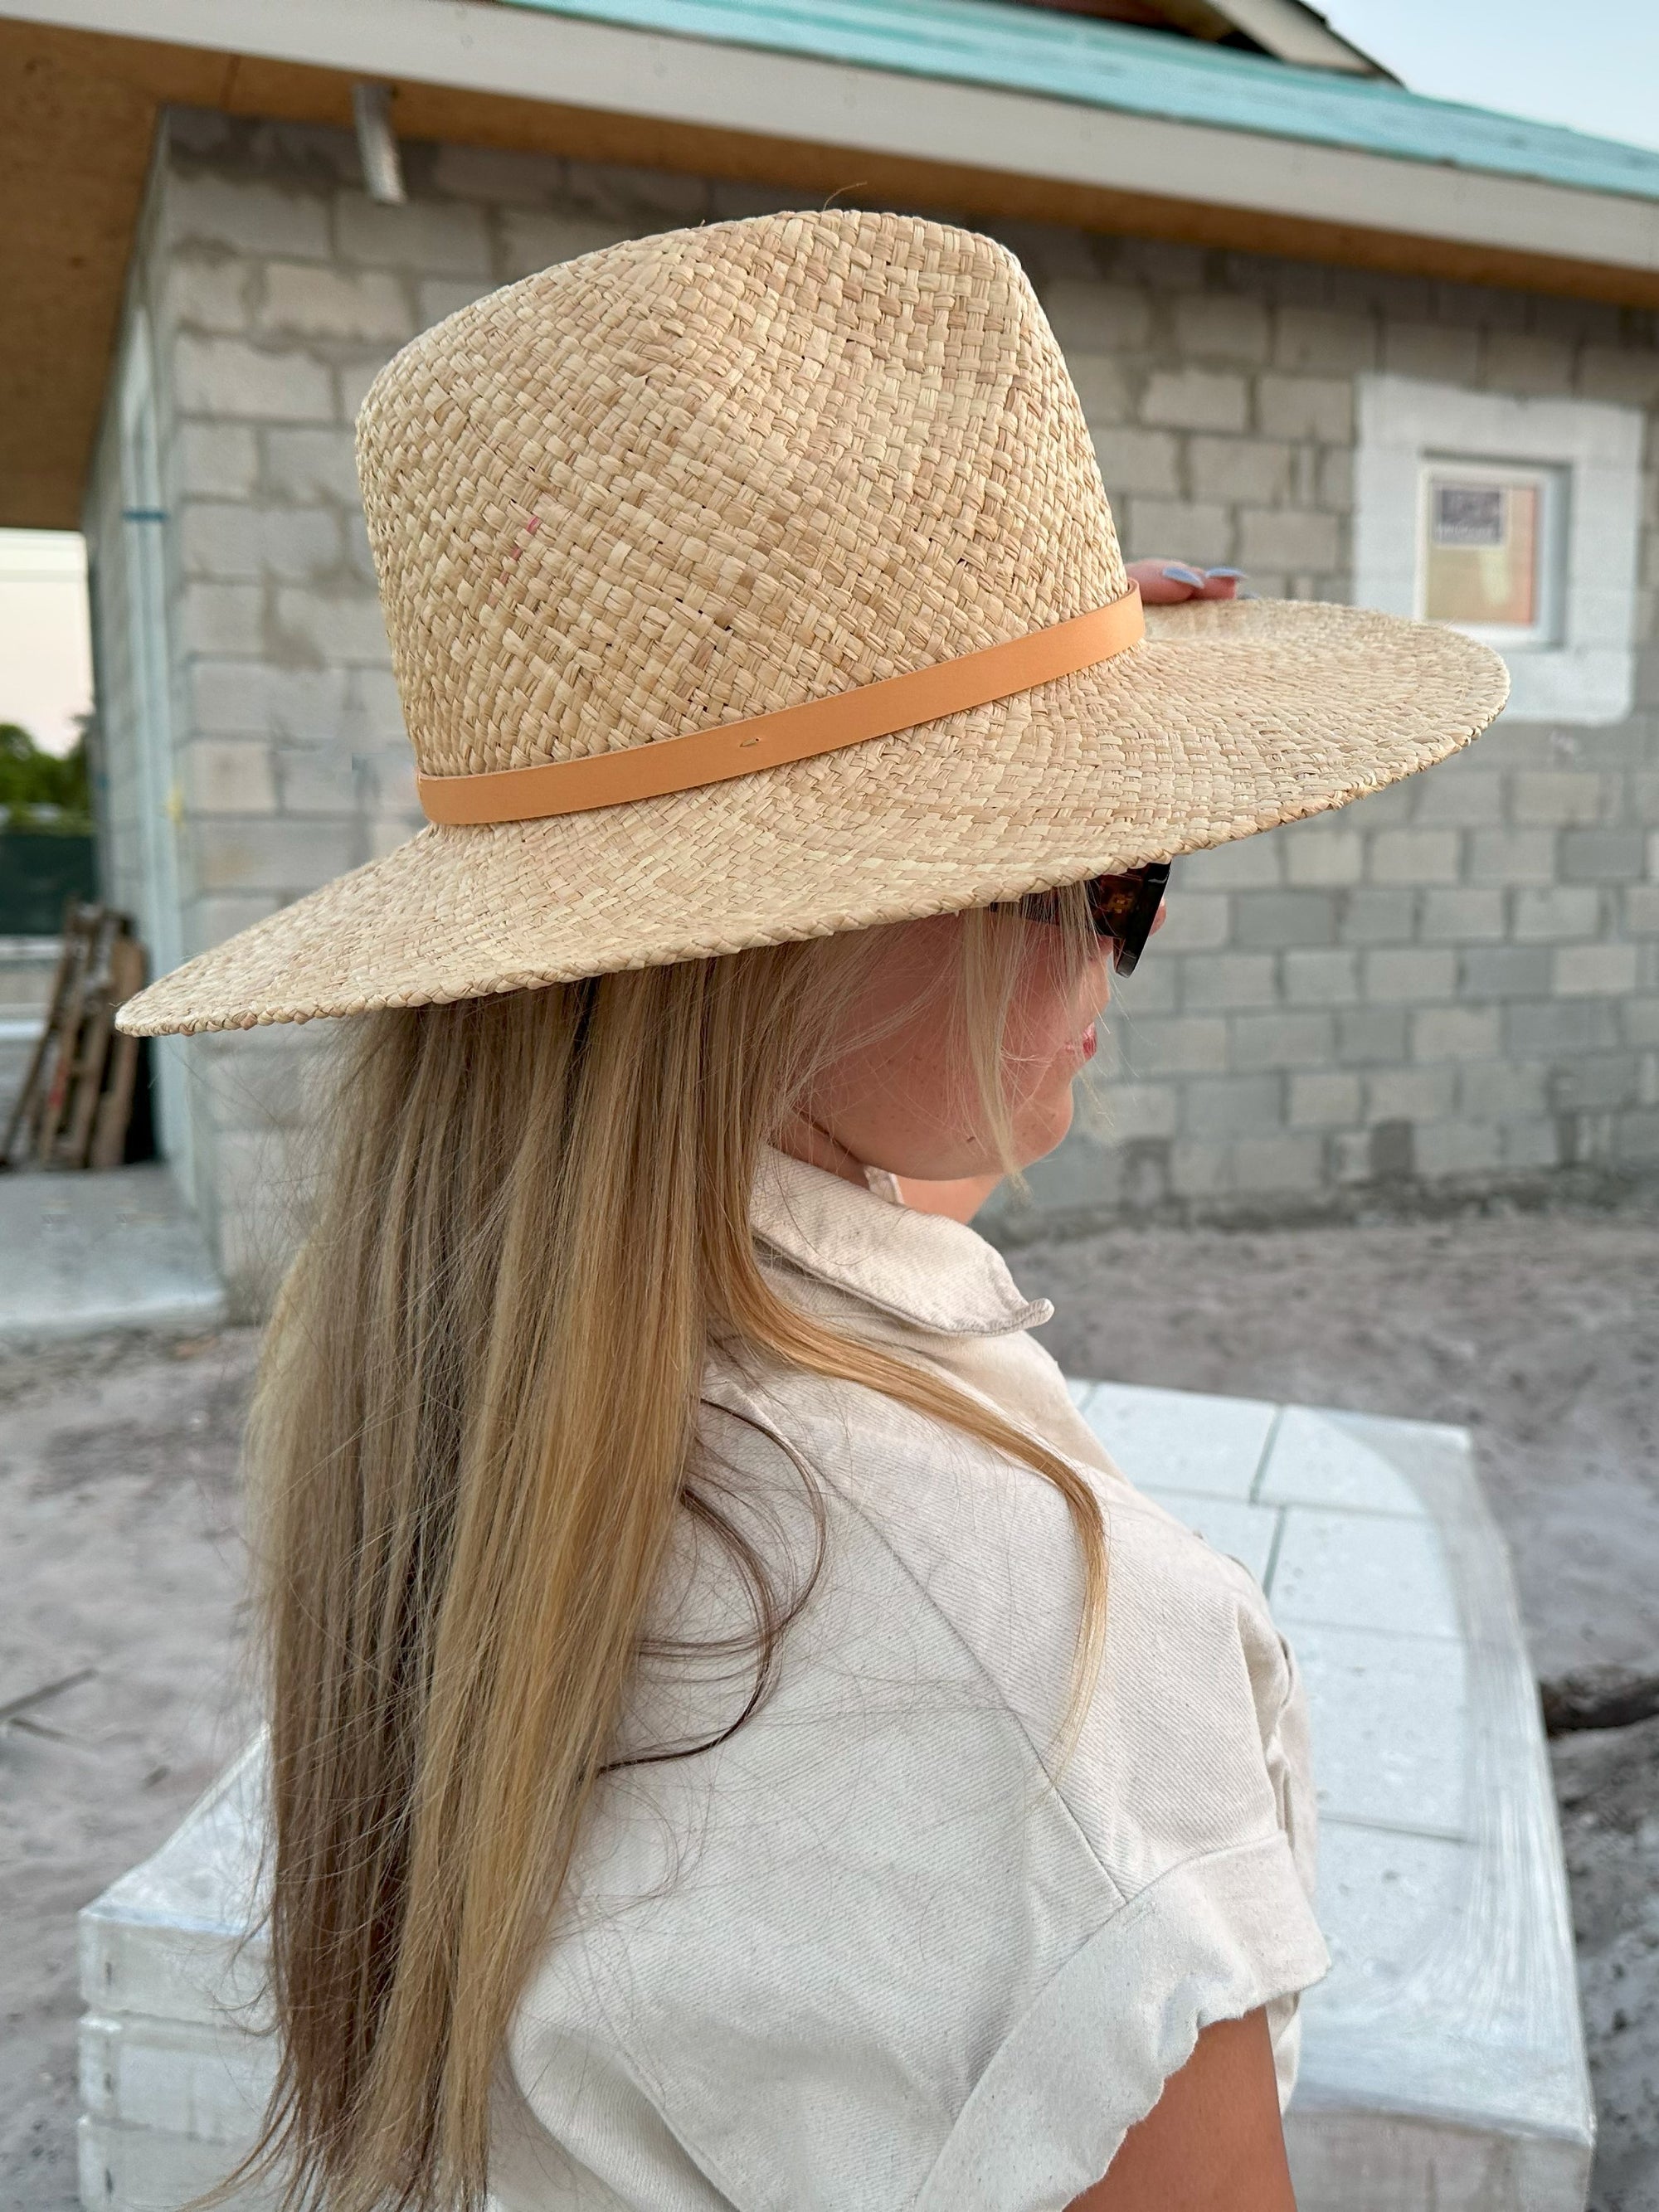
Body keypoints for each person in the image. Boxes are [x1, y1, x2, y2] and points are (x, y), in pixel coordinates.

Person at [119, 209, 1506, 2211]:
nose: (1122, 954)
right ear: (813, 950)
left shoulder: (464, 1378)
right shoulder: (1057, 1647)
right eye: (1110, 874)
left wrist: (975, 774)